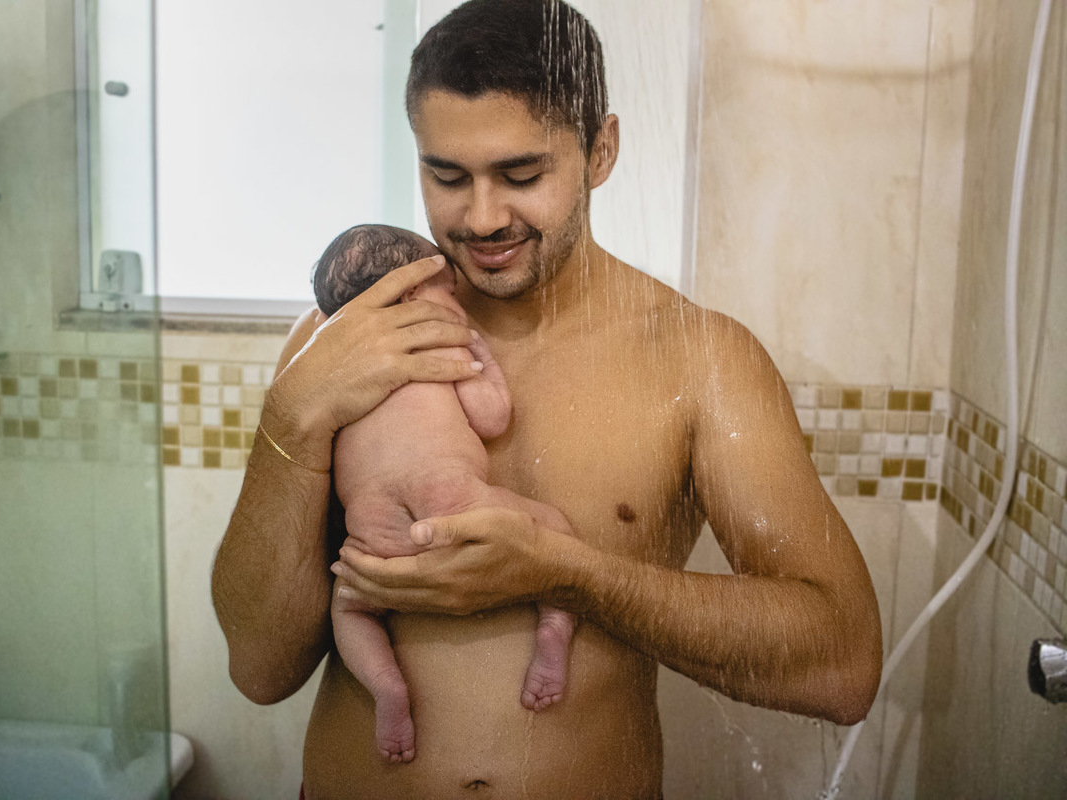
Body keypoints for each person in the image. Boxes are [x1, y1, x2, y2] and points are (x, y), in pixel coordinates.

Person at [212, 1, 883, 797]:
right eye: (446, 176)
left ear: (601, 150)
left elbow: (843, 667)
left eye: (522, 175)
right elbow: (260, 669)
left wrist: (568, 575)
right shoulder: (348, 335)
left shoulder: (699, 359)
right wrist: (293, 417)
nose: (482, 217)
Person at [313, 224, 579, 765]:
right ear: (413, 293)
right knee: (555, 529)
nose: (458, 305)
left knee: (352, 608)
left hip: (374, 530)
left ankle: (387, 687)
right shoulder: (442, 348)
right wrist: (481, 354)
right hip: (452, 505)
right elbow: (492, 417)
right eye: (449, 293)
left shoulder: (334, 370)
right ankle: (554, 627)